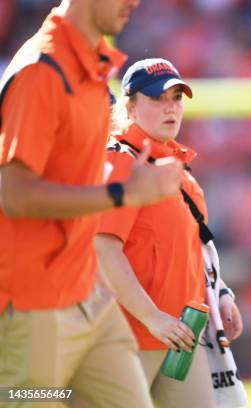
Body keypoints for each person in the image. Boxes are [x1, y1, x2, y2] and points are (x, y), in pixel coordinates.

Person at [0, 1, 186, 406]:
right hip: (35, 304)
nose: (133, 3)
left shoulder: (91, 66)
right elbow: (13, 194)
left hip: (89, 295)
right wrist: (123, 194)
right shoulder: (40, 71)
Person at [95, 58, 243, 408]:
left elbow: (193, 251)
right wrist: (152, 317)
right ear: (130, 107)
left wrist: (220, 292)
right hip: (127, 336)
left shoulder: (181, 174)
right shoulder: (120, 162)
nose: (171, 107)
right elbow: (103, 249)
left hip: (178, 336)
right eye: (158, 98)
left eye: (177, 98)